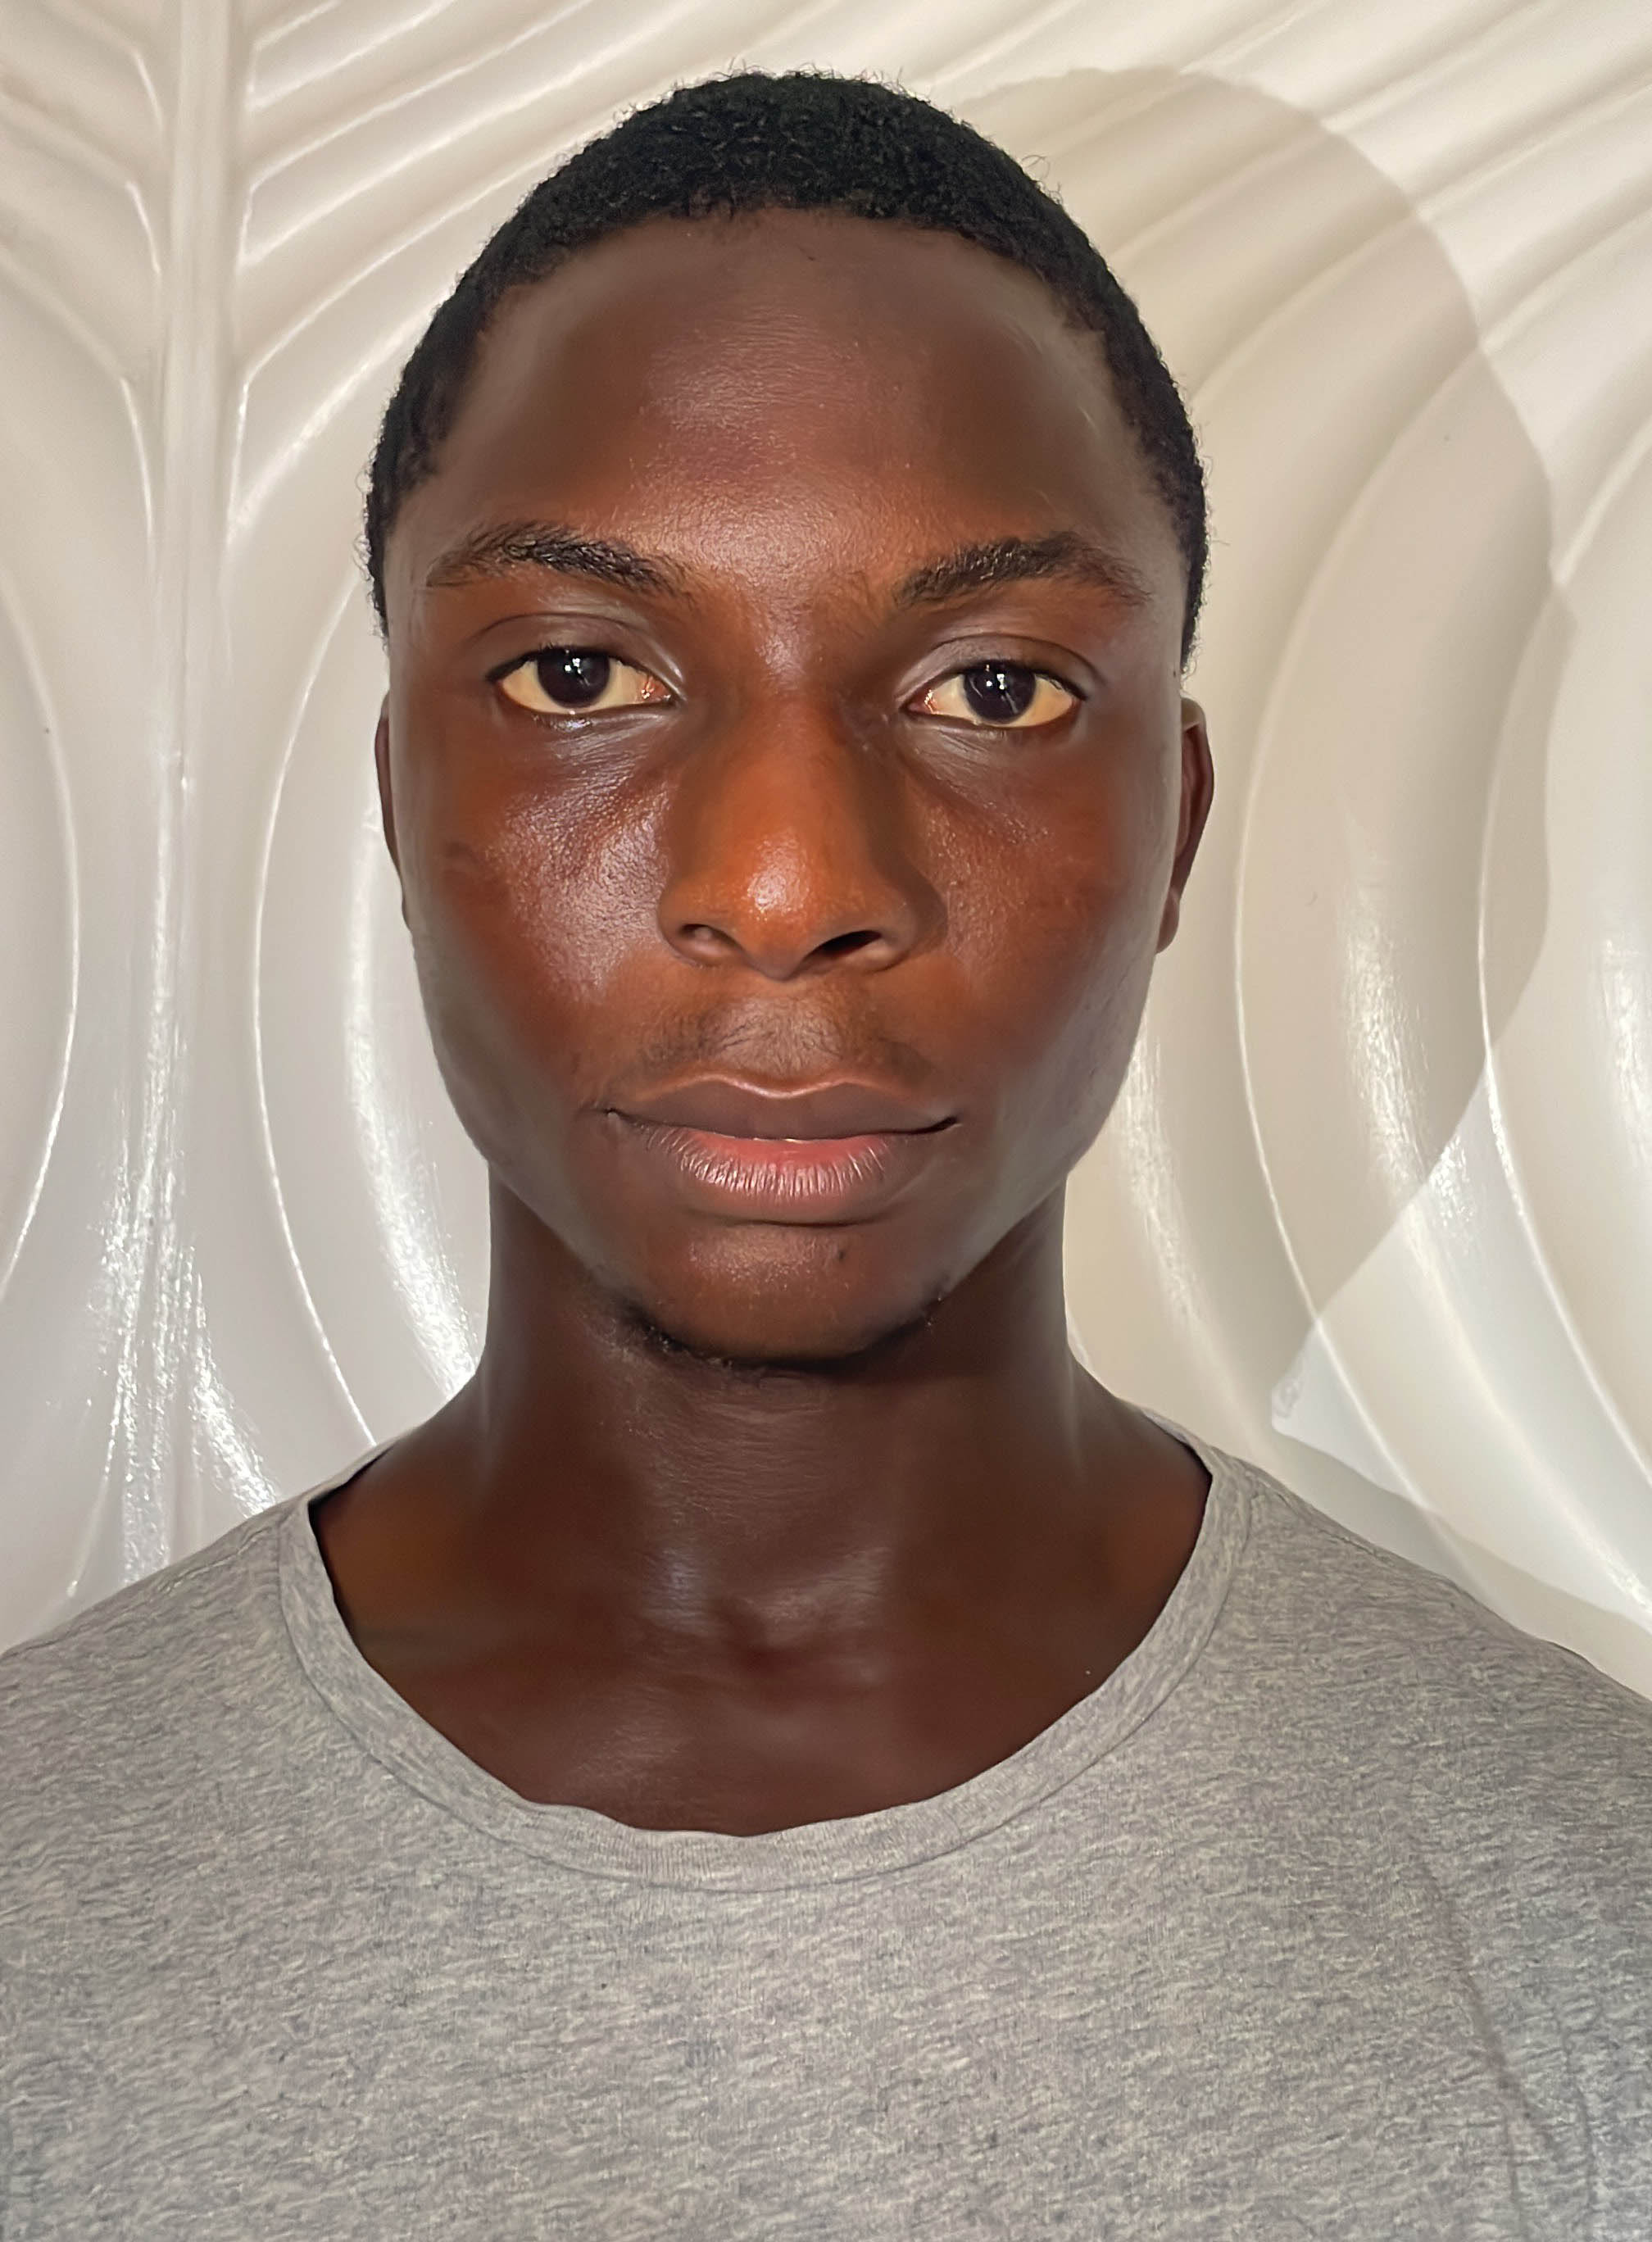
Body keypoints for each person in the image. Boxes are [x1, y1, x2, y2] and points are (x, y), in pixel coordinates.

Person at [0, 68, 1646, 2240]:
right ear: (402, 803)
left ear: (1175, 826)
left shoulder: (1587, 1919)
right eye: (578, 671)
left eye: (995, 693)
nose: (783, 889)